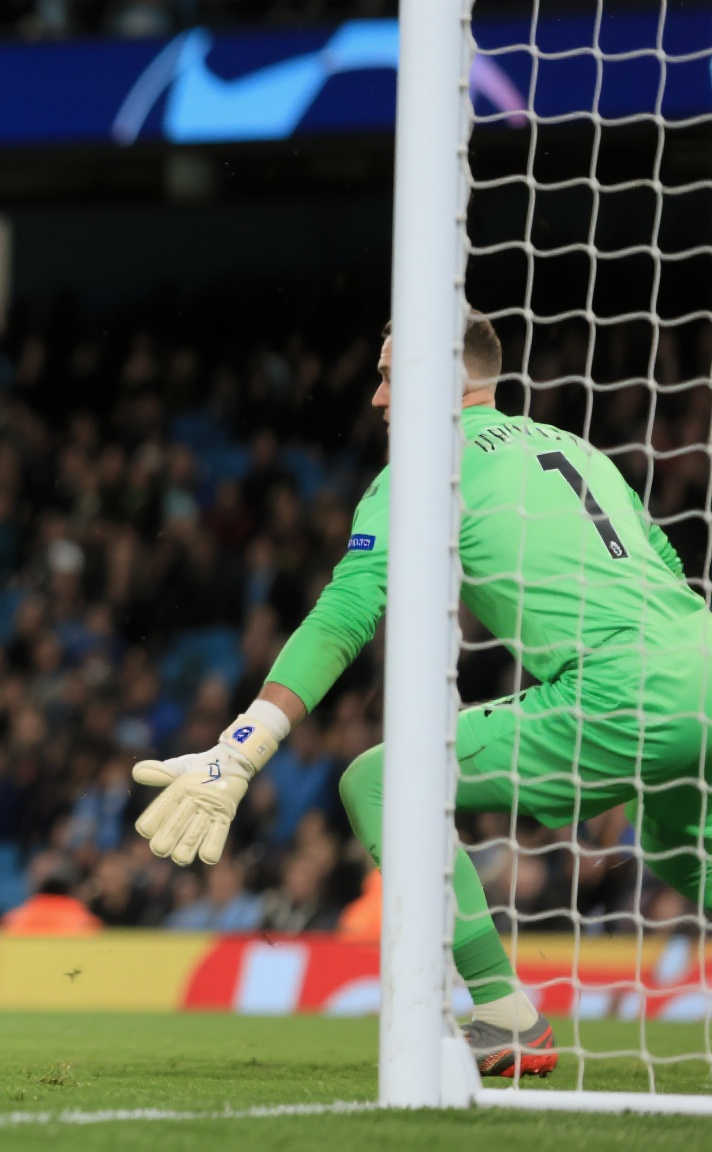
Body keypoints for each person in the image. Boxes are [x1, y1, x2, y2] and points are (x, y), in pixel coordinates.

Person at [128, 310, 711, 1078]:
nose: (377, 398)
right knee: (671, 839)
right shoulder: (574, 447)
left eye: (389, 377)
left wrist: (244, 746)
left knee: (381, 782)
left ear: (443, 376)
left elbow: (345, 614)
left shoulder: (427, 468)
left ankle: (504, 1015)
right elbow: (665, 559)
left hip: (619, 690)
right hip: (699, 657)